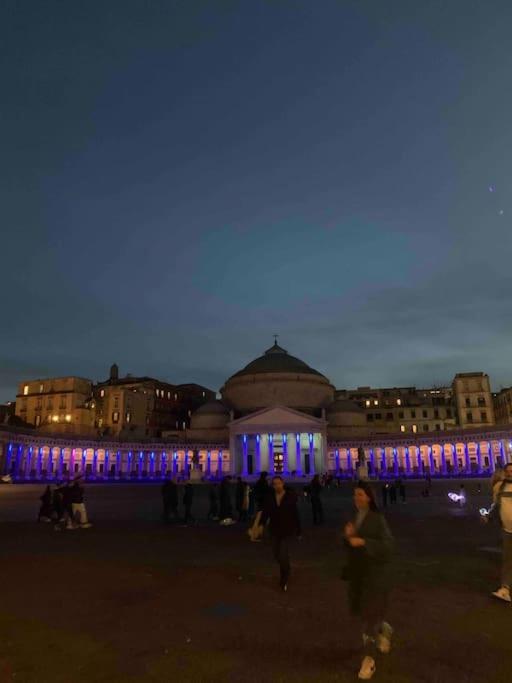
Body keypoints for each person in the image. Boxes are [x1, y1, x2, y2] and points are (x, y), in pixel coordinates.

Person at [342, 481, 394, 681]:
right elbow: (349, 542)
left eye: (361, 495)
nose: (357, 498)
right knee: (365, 615)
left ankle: (368, 660)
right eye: (355, 495)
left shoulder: (378, 519)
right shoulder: (354, 517)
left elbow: (388, 547)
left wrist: (363, 542)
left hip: (374, 577)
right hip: (358, 576)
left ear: (369, 497)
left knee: (367, 620)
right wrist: (348, 537)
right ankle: (384, 628)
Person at [258, 476, 301, 591]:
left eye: (279, 483)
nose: (277, 485)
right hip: (274, 530)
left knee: (282, 554)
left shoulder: (290, 497)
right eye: (275, 484)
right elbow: (265, 512)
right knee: (276, 554)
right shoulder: (270, 498)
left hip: (286, 530)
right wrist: (261, 525)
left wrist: (298, 530)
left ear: (283, 483)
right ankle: (286, 567)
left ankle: (284, 578)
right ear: (272, 486)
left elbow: (295, 513)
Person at [487, 463, 512, 602]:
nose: (510, 473)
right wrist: (489, 517)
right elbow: (495, 505)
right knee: (507, 561)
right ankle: (505, 589)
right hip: (507, 530)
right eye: (507, 471)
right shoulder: (499, 487)